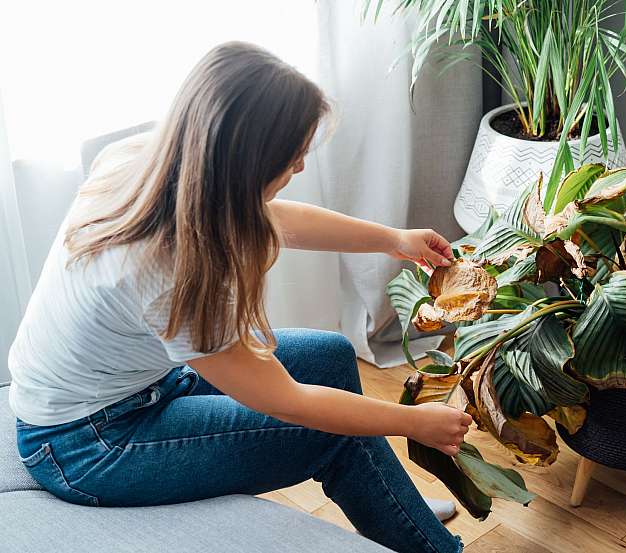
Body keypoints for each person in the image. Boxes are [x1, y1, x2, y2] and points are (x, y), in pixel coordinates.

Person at [10, 41, 470, 553]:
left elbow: (273, 217)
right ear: (245, 163)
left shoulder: (151, 161)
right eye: (293, 157)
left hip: (144, 385)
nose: (298, 168)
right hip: (90, 444)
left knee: (332, 355)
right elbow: (290, 403)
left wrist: (393, 239)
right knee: (332, 435)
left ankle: (391, 506)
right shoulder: (174, 271)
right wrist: (416, 423)